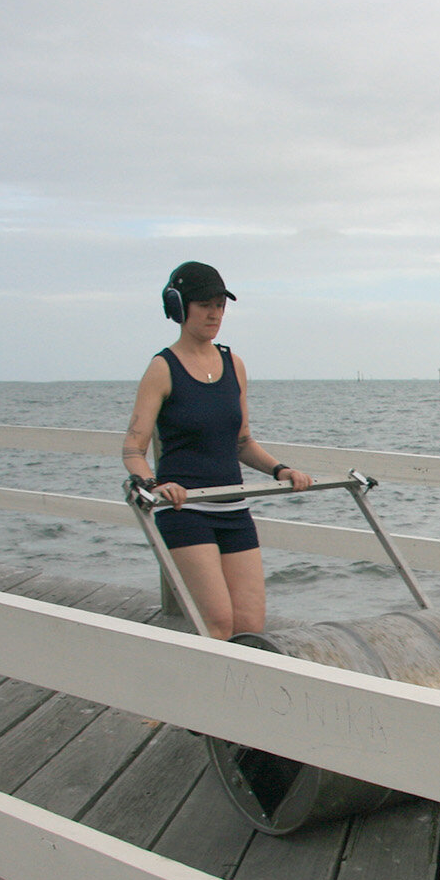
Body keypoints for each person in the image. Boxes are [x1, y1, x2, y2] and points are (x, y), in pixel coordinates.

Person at [122, 262, 311, 638]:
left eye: (220, 305)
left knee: (250, 626)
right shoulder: (163, 368)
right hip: (185, 508)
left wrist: (281, 470)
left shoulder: (233, 364)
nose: (214, 314)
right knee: (219, 623)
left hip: (234, 507)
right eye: (204, 304)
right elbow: (132, 448)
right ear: (178, 307)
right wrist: (154, 484)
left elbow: (242, 442)